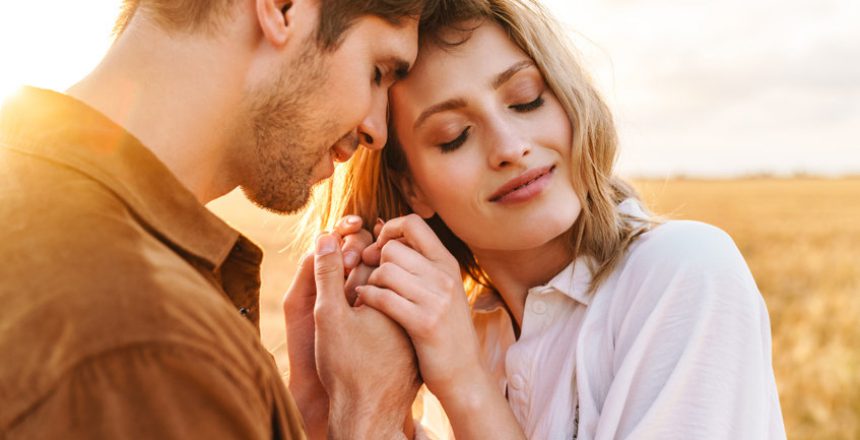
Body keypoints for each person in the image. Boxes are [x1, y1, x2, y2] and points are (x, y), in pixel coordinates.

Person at [307, 0, 787, 438]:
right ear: (413, 188)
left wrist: (464, 381)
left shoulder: (683, 272)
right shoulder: (463, 326)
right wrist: (324, 400)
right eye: (455, 136)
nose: (511, 147)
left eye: (526, 99)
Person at [0, 0, 469, 438]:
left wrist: (304, 414)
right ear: (282, 8)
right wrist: (369, 414)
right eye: (378, 71)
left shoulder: (31, 194)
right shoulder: (152, 344)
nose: (377, 130)